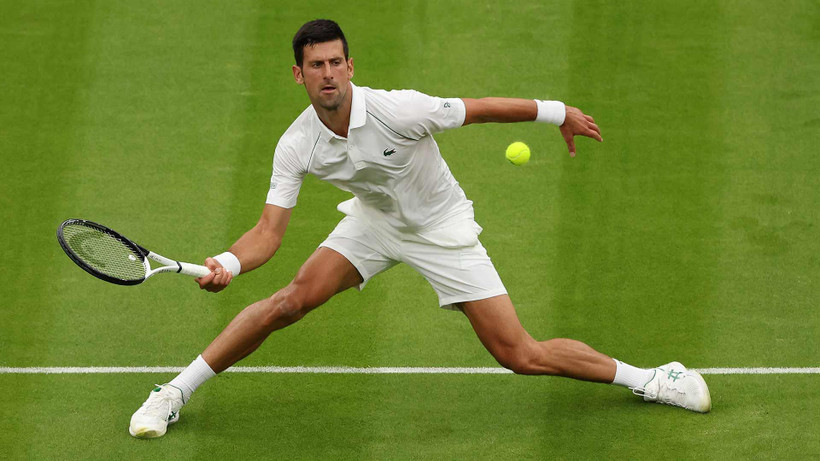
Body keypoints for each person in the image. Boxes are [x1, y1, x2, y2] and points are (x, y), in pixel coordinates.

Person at [129, 19, 711, 439]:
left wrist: (558, 113)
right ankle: (174, 390)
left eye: (336, 62)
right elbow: (267, 232)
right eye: (316, 65)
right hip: (375, 223)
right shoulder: (296, 143)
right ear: (298, 74)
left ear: (350, 67)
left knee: (519, 354)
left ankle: (655, 377)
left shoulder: (400, 109)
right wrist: (228, 263)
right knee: (288, 303)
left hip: (440, 227)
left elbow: (478, 107)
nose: (328, 74)